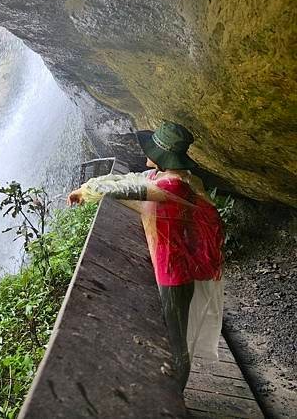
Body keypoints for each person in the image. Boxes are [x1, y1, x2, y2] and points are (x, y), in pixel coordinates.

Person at [67, 121, 225, 391]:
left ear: (164, 157)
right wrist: (90, 183)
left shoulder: (173, 186)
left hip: (173, 271)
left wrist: (85, 191)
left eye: (151, 148)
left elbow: (123, 190)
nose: (145, 151)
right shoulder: (164, 179)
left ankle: (175, 398)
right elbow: (129, 180)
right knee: (168, 334)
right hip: (164, 264)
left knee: (176, 342)